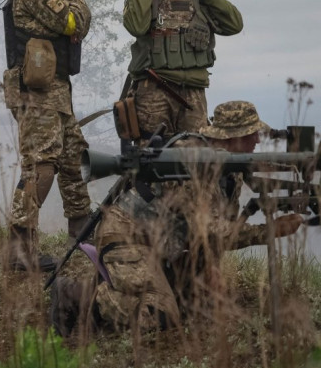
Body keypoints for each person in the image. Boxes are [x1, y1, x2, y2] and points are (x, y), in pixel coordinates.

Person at [52, 101, 303, 336]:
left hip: (162, 245)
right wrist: (269, 231)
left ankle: (136, 286)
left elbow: (215, 227)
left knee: (195, 303)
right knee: (163, 314)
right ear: (231, 137)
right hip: (129, 240)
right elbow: (211, 230)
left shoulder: (229, 167)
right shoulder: (192, 161)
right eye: (251, 134)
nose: (257, 140)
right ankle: (80, 295)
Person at [1, 0, 94, 271]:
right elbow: (76, 21)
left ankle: (82, 231)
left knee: (72, 156)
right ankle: (19, 249)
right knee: (41, 164)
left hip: (54, 89)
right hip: (36, 91)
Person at [122, 0, 244, 140]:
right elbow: (135, 26)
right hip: (154, 89)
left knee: (196, 155)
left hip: (194, 93)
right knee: (152, 154)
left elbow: (234, 25)